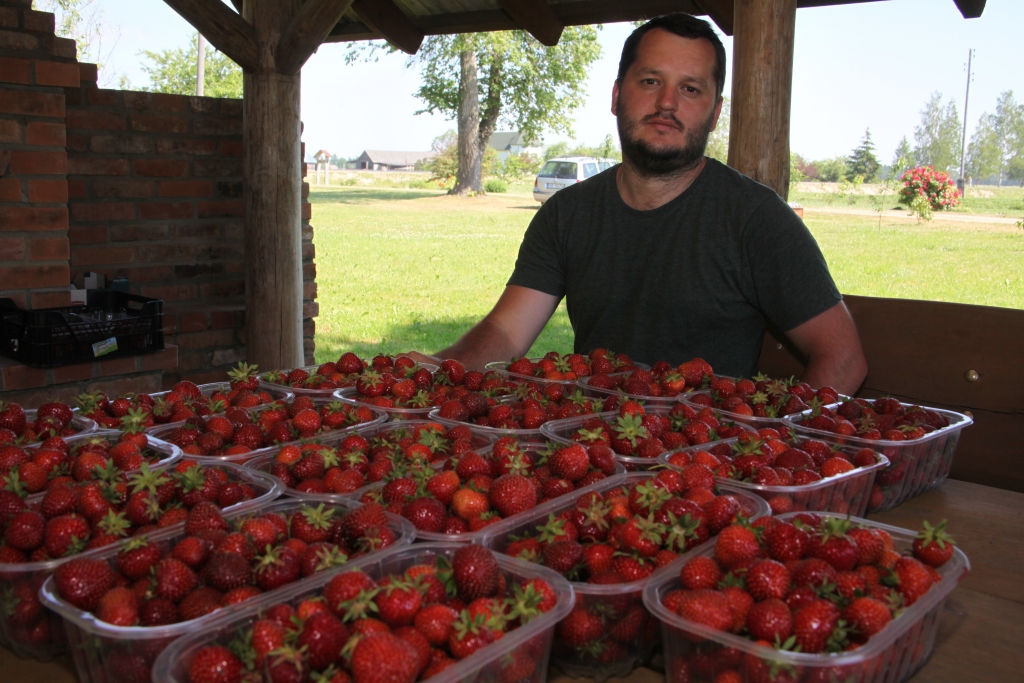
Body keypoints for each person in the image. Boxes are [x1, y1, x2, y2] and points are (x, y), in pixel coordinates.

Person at [409, 13, 867, 395]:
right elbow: (507, 333)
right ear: (616, 95)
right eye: (650, 81)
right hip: (588, 444)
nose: (667, 103)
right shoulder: (567, 215)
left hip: (704, 463)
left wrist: (774, 449)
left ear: (714, 111)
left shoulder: (756, 220)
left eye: (690, 89)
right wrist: (437, 368)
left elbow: (844, 361)